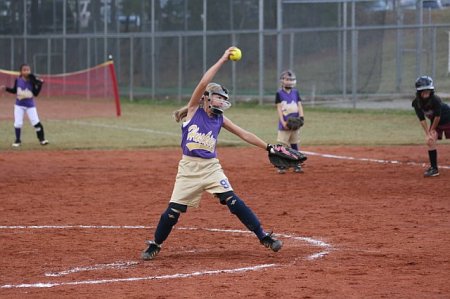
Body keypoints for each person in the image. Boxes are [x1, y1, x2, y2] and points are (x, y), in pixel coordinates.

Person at [142, 47, 283, 260]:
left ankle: (263, 236)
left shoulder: (220, 119)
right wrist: (224, 59)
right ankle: (156, 244)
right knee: (172, 213)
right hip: (188, 168)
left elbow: (244, 134)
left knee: (234, 202)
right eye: (218, 98)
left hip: (211, 167)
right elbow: (203, 82)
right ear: (207, 97)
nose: (221, 102)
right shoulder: (193, 111)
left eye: (223, 99)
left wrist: (269, 147)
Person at [0, 64, 48, 147]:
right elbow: (15, 91)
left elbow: (36, 94)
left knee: (36, 122)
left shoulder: (32, 80)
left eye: (28, 70)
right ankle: (17, 140)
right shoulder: (18, 80)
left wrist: (39, 85)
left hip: (30, 105)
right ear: (21, 72)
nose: (26, 71)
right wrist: (6, 88)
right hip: (19, 105)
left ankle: (42, 139)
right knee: (18, 123)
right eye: (24, 70)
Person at [412, 75, 450, 177]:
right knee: (430, 141)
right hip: (436, 123)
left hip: (448, 118)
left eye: (428, 90)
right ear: (419, 92)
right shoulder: (416, 103)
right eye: (423, 91)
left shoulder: (435, 100)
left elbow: (437, 116)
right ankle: (434, 169)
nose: (426, 93)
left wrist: (432, 129)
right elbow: (422, 119)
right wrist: (428, 133)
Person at [275, 70, 305, 174]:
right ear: (282, 81)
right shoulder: (279, 93)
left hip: (295, 123)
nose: (289, 81)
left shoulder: (296, 92)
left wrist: (301, 117)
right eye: (287, 79)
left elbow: (299, 105)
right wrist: (282, 122)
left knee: (294, 144)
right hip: (285, 124)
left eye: (291, 79)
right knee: (282, 145)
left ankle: (296, 164)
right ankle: (282, 164)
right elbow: (279, 108)